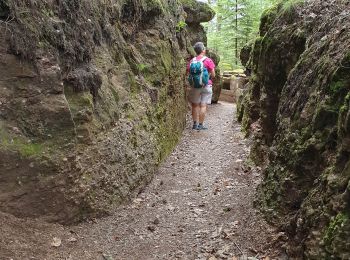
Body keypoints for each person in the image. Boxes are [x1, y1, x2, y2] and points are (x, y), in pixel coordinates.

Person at [187, 42, 216, 130]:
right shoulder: (208, 60)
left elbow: (188, 73)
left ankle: (194, 124)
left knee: (195, 105)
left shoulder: (192, 61)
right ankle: (200, 125)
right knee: (203, 105)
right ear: (203, 50)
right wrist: (206, 78)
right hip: (206, 86)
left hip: (195, 86)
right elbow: (213, 74)